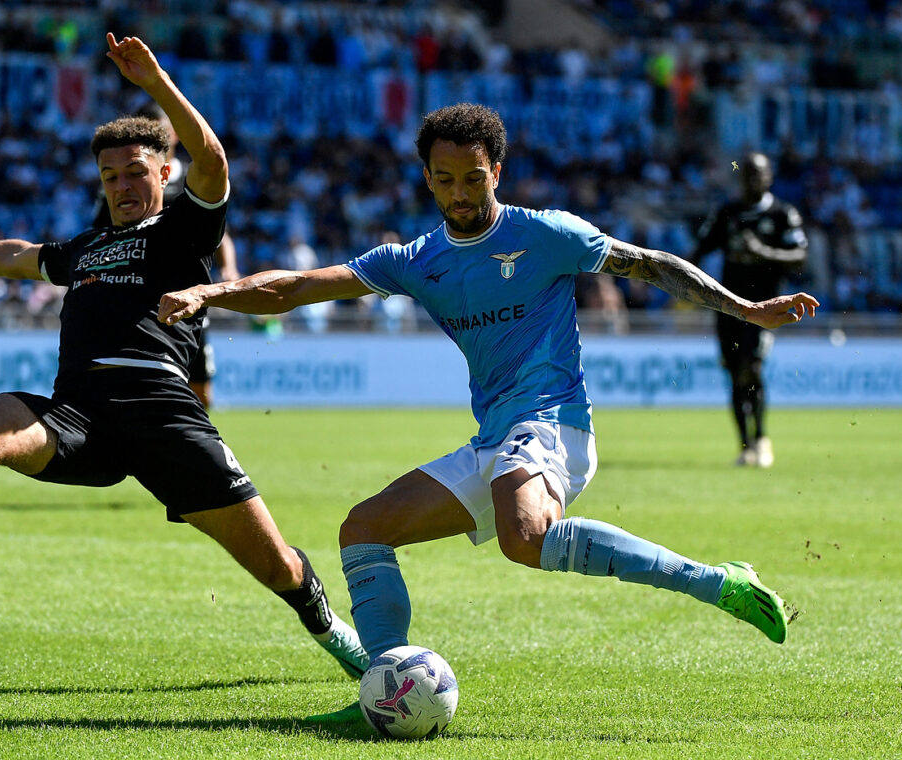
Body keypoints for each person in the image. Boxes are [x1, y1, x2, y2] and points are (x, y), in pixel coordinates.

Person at [156, 103, 818, 718]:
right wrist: (212, 291)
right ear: (428, 180)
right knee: (363, 530)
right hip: (498, 439)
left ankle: (719, 583)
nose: (461, 194)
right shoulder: (418, 260)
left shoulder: (546, 234)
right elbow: (298, 288)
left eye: (473, 178)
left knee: (522, 537)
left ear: (495, 171)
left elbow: (646, 264)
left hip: (555, 424)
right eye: (444, 181)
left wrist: (746, 308)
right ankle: (386, 690)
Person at [0, 33, 367, 681]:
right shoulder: (88, 245)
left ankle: (340, 639)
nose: (121, 185)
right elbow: (21, 257)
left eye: (135, 173)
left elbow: (212, 156)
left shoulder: (182, 229)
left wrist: (155, 84)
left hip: (164, 416)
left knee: (280, 567)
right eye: (109, 176)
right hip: (79, 418)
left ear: (163, 174)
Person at [90, 102, 238, 409]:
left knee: (200, 392)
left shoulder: (192, 180)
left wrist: (230, 270)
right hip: (138, 295)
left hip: (187, 294)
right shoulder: (120, 186)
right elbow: (101, 236)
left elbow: (221, 234)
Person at [689, 152, 808, 468]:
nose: (753, 180)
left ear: (770, 176)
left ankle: (762, 438)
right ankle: (745, 445)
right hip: (729, 307)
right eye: (748, 174)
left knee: (751, 367)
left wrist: (763, 252)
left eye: (760, 174)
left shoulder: (783, 213)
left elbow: (800, 255)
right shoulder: (727, 212)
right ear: (740, 178)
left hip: (767, 309)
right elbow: (699, 250)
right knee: (734, 374)